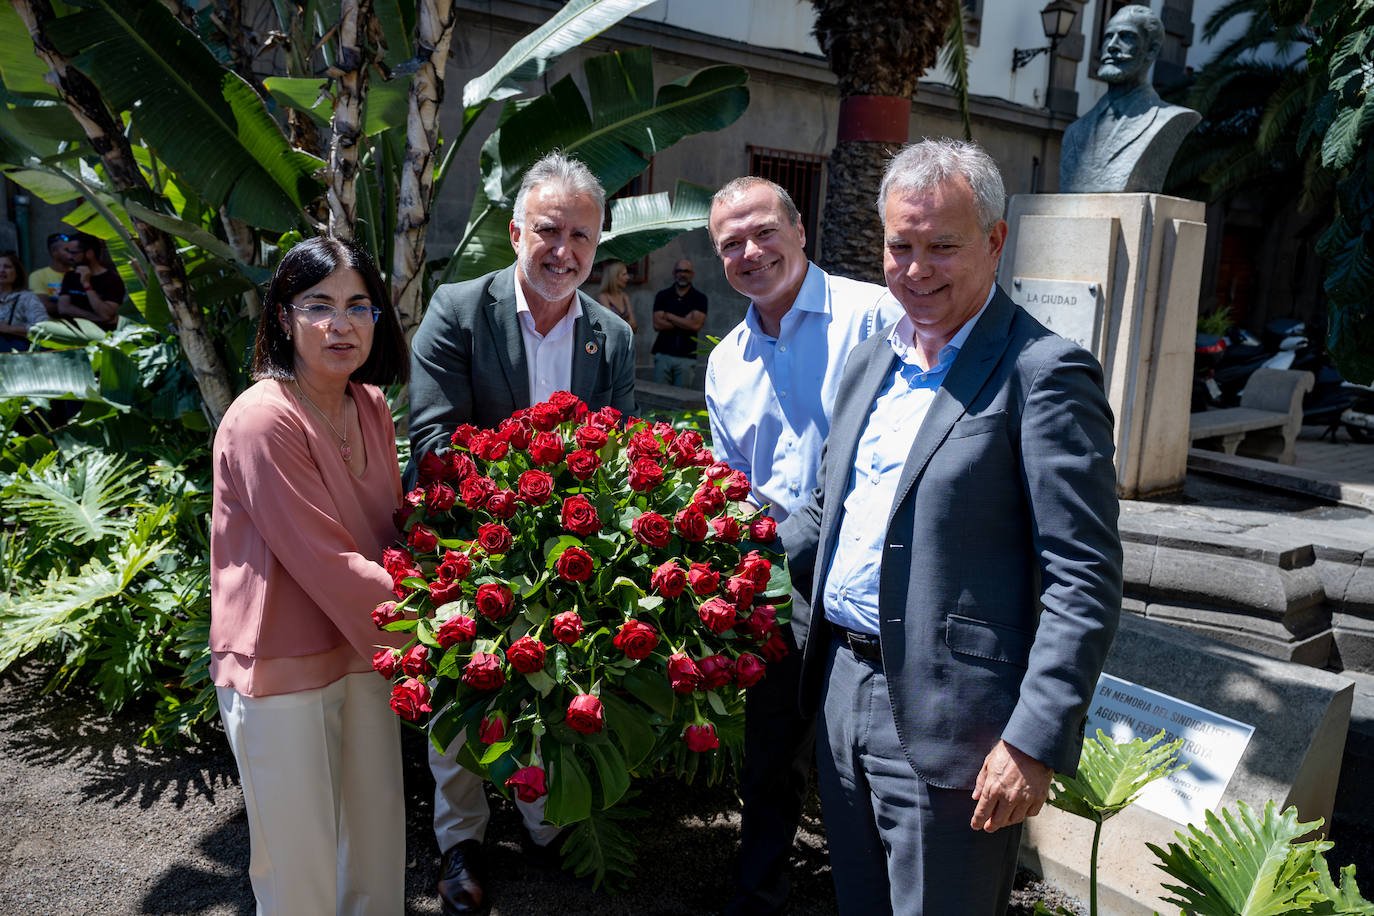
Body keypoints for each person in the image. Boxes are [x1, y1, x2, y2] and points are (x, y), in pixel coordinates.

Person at [777, 139, 1123, 914]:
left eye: (943, 247)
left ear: (995, 241)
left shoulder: (1044, 373)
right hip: (839, 693)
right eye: (901, 246)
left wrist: (1033, 740)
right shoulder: (871, 360)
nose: (916, 269)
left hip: (958, 726)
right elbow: (825, 511)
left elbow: (1084, 578)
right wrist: (719, 552)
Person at [408, 151, 636, 916]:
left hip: (566, 556)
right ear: (514, 232)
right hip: (467, 543)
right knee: (458, 694)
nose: (564, 250)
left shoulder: (612, 334)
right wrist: (513, 516)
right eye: (548, 230)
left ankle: (546, 818)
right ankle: (461, 841)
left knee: (555, 684)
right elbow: (434, 442)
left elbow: (621, 456)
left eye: (582, 235)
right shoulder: (458, 309)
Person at [704, 176, 901, 915]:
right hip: (774, 587)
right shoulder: (726, 362)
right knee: (769, 758)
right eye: (731, 244)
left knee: (866, 758)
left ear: (799, 231)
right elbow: (730, 487)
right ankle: (760, 893)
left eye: (763, 233)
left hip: (866, 576)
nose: (750, 253)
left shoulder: (872, 315)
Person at [210, 236, 411, 916]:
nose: (341, 324)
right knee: (300, 875)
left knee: (377, 846)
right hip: (281, 662)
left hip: (363, 646)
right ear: (283, 317)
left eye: (359, 306)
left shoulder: (372, 405)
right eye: (318, 305)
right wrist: (446, 623)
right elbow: (325, 559)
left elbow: (387, 530)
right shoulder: (262, 418)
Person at [1059, 4, 1200, 193]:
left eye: (1126, 36)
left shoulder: (1168, 119)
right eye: (1108, 36)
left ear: (1151, 50)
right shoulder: (1075, 131)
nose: (1112, 46)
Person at [650, 259, 707, 386]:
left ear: (692, 274)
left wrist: (669, 316)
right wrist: (686, 321)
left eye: (686, 271)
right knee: (660, 397)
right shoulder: (663, 296)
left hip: (686, 357)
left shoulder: (699, 298)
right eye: (679, 271)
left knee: (682, 400)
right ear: (674, 273)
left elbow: (696, 326)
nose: (682, 274)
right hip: (663, 354)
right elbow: (657, 324)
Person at [57, 233, 125, 331]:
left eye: (74, 253)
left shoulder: (112, 279)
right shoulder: (70, 275)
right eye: (68, 252)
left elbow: (106, 314)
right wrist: (95, 317)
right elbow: (63, 308)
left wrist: (87, 285)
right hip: (75, 332)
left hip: (104, 333)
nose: (69, 257)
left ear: (89, 253)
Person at [1, 251, 52, 352]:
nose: (1, 270)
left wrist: (8, 329)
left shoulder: (27, 298)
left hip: (18, 357)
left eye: (7, 267)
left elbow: (44, 329)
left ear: (17, 273)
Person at [28, 232, 77, 311]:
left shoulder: (79, 274)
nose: (72, 254)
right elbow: (42, 305)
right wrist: (73, 308)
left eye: (73, 251)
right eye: (67, 250)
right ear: (54, 252)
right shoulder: (38, 276)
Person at [596, 259, 637, 333]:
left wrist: (621, 326)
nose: (628, 277)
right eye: (624, 274)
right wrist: (628, 325)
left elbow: (634, 327)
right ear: (614, 277)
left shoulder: (624, 297)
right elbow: (609, 326)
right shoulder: (603, 297)